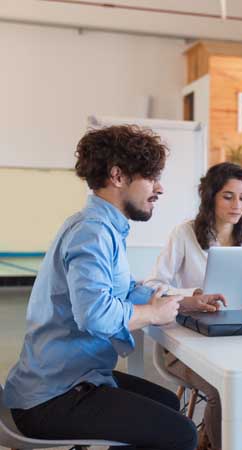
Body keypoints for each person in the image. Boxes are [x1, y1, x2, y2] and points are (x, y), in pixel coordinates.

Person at [4, 125, 222, 449]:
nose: (160, 188)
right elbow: (95, 315)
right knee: (181, 434)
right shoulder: (92, 232)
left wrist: (181, 302)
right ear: (118, 176)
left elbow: (122, 290)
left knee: (167, 403)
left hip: (71, 379)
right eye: (151, 177)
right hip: (52, 396)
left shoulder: (102, 226)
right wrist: (151, 313)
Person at [145, 162, 242, 450]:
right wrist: (193, 294)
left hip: (240, 338)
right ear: (210, 196)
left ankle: (211, 441)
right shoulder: (184, 234)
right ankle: (220, 442)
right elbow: (152, 285)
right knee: (222, 389)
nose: (237, 205)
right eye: (228, 196)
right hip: (187, 341)